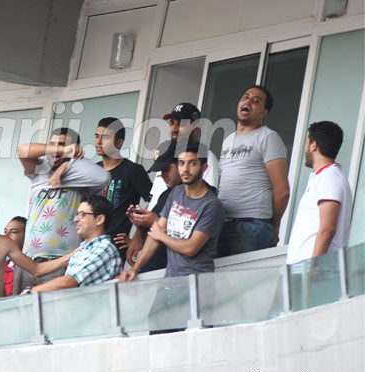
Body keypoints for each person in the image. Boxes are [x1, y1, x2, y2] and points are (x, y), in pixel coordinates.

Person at [14, 128, 110, 294]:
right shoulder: (40, 169)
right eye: (52, 144)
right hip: (28, 263)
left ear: (74, 148)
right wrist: (61, 150)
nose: (55, 149)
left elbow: (104, 177)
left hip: (61, 263)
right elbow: (22, 150)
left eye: (62, 144)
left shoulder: (81, 176)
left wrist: (65, 165)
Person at [119, 143, 224, 281]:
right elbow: (155, 234)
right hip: (170, 278)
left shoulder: (212, 204)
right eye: (181, 163)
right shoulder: (176, 192)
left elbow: (190, 248)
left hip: (197, 283)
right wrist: (135, 268)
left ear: (204, 168)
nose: (185, 169)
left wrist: (161, 235)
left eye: (192, 163)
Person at [217, 86, 290, 256]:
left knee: (244, 282)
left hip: (251, 227)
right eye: (245, 97)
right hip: (221, 223)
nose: (248, 101)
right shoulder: (228, 140)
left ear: (264, 113)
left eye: (256, 100)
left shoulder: (268, 137)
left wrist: (274, 225)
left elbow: (282, 191)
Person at [286, 121, 353, 265]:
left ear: (313, 145)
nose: (305, 148)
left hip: (312, 269)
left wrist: (314, 267)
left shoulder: (329, 177)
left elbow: (327, 229)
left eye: (306, 143)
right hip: (303, 267)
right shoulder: (326, 176)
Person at [31, 195, 122, 291]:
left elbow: (69, 282)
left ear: (99, 219)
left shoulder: (104, 248)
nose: (75, 219)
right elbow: (38, 270)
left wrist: (31, 292)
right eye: (77, 214)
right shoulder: (82, 249)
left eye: (82, 214)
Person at [94, 117, 152, 263]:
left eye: (106, 137)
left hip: (113, 250)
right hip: (89, 245)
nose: (99, 141)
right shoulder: (93, 170)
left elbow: (155, 201)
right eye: (97, 136)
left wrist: (137, 237)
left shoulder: (133, 171)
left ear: (119, 142)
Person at [126, 140, 183, 272]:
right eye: (160, 170)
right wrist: (140, 228)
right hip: (151, 270)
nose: (163, 175)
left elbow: (189, 240)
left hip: (174, 273)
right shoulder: (166, 194)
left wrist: (155, 222)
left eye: (167, 169)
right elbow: (155, 229)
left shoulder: (196, 197)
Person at [149, 102, 220, 205]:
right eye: (172, 123)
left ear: (196, 129)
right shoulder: (166, 154)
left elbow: (204, 201)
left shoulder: (206, 157)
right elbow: (154, 196)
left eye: (181, 124)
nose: (174, 129)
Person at [3, 217, 26, 296]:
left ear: (26, 236)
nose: (6, 236)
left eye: (14, 232)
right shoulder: (1, 267)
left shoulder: (31, 267)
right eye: (5, 231)